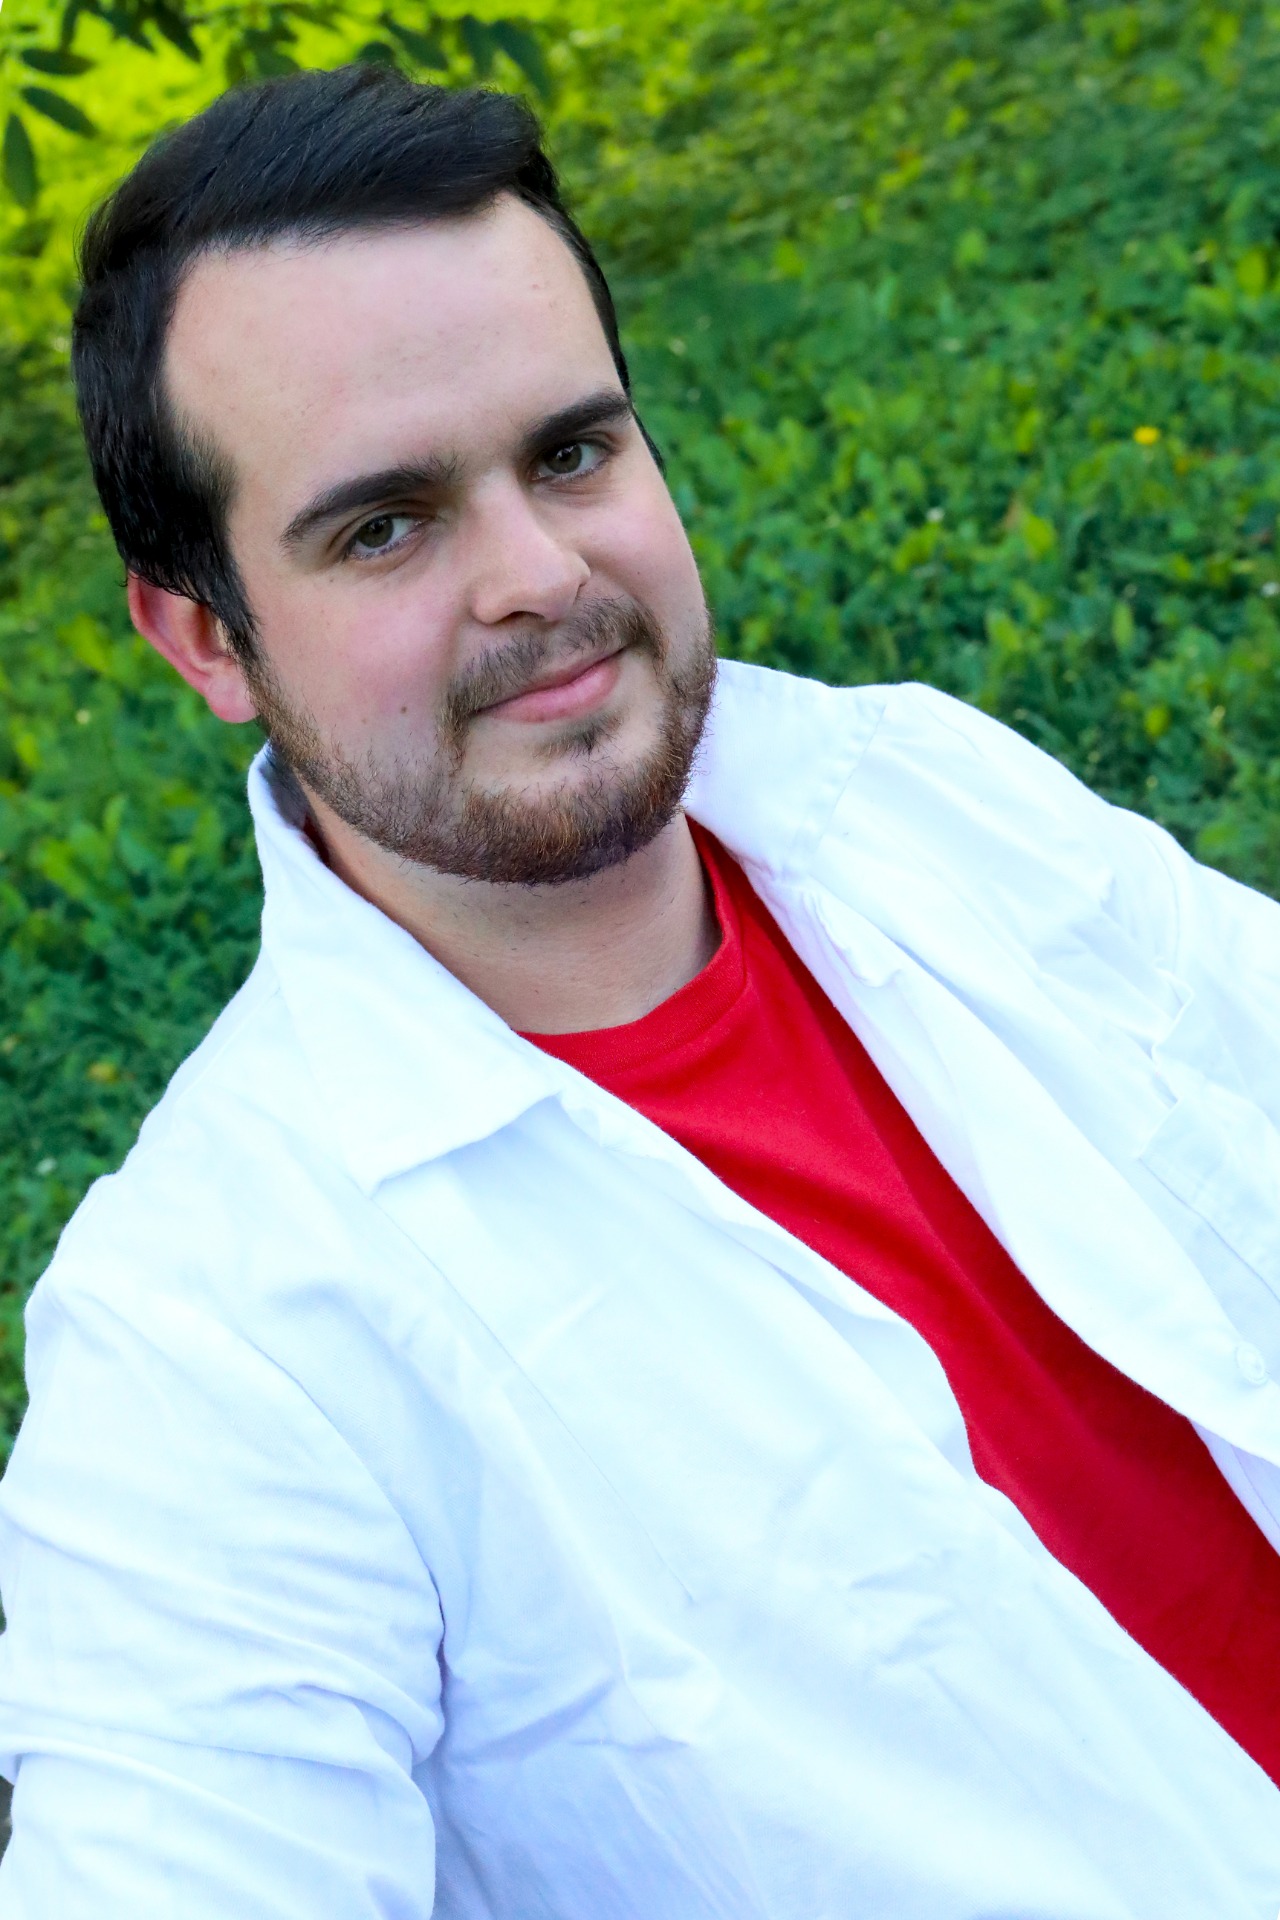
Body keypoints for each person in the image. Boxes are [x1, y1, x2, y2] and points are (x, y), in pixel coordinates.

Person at [0, 61, 1277, 1918]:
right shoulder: (215, 1338)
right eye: (385, 526)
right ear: (204, 635)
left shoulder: (917, 789)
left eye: (571, 454)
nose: (541, 576)